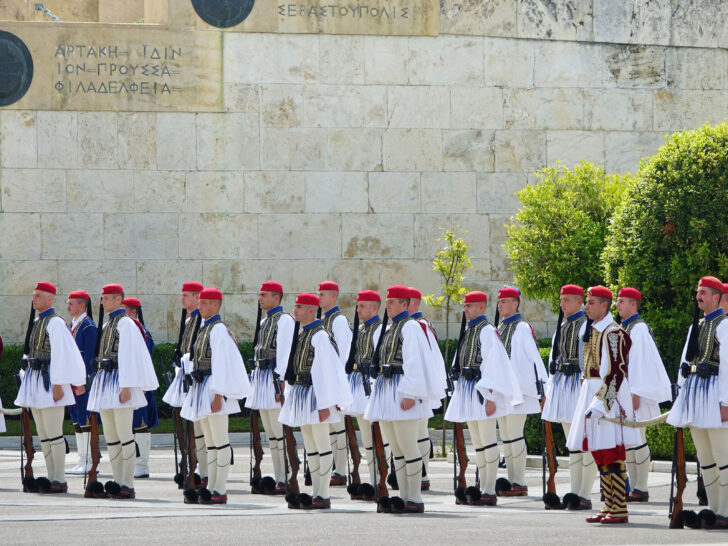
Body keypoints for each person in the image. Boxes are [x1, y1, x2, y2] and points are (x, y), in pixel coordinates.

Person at [364, 285, 444, 514]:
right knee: (396, 449)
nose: (387, 305)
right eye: (387, 301)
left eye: (392, 302)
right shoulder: (390, 328)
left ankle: (415, 497)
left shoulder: (410, 327)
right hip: (387, 391)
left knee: (409, 446)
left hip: (402, 391)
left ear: (405, 304)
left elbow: (414, 362)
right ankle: (403, 495)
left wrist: (411, 393)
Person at [566, 285, 639, 524]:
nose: (586, 307)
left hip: (608, 397)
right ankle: (609, 503)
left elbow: (616, 372)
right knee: (598, 451)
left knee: (611, 451)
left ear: (604, 305)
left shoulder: (612, 332)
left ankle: (619, 507)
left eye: (591, 303)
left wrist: (602, 403)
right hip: (593, 392)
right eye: (586, 303)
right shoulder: (596, 330)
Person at [446, 291, 522, 506]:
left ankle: (489, 489)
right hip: (469, 390)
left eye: (469, 306)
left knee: (487, 440)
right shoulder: (470, 330)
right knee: (478, 442)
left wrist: (490, 397)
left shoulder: (487, 331)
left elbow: (494, 365)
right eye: (465, 306)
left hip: (482, 391)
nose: (465, 309)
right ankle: (482, 486)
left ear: (481, 307)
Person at [279, 293, 352, 509]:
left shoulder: (319, 335)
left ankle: (323, 493)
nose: (296, 310)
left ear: (311, 310)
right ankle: (315, 491)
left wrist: (325, 404)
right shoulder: (303, 332)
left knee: (322, 444)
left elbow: (327, 372)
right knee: (310, 445)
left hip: (316, 395)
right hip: (303, 393)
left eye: (300, 307)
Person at [87, 284, 159, 499]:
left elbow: (129, 356)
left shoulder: (126, 323)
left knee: (125, 435)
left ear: (119, 300)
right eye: (102, 298)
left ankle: (127, 483)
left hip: (120, 382)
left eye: (107, 298)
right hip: (106, 382)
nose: (103, 302)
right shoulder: (109, 323)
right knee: (111, 436)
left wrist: (127, 386)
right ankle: (117, 481)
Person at [180, 288, 251, 505]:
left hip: (214, 389)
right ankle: (210, 487)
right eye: (199, 303)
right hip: (204, 387)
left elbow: (221, 363)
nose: (199, 307)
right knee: (211, 443)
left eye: (203, 303)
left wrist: (219, 395)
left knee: (220, 442)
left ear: (215, 305)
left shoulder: (218, 329)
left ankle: (220, 489)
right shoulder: (206, 327)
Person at [15, 282, 86, 493]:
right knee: (43, 432)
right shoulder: (38, 321)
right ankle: (50, 476)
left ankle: (59, 478)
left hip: (50, 381)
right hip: (36, 382)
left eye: (38, 296)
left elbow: (62, 355)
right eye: (33, 295)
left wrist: (58, 384)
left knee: (54, 432)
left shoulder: (55, 322)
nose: (33, 299)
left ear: (49, 299)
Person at [668, 276, 728, 529]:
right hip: (695, 396)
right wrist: (681, 399)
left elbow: (726, 367)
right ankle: (713, 510)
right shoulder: (697, 326)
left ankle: (725, 510)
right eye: (697, 292)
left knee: (722, 455)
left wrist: (726, 401)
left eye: (703, 292)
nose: (698, 296)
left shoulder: (724, 326)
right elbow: (684, 364)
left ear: (716, 297)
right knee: (705, 458)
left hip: (714, 393)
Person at [615, 287, 671, 502]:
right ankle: (635, 487)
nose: (618, 305)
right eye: (618, 301)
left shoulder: (638, 328)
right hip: (624, 390)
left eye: (622, 301)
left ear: (634, 304)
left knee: (637, 438)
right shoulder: (624, 326)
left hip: (634, 390)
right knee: (629, 441)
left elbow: (640, 363)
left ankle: (641, 487)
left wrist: (635, 391)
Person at [542, 284, 595, 510]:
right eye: (562, 300)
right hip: (563, 385)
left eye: (567, 300)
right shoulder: (563, 326)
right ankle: (574, 491)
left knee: (586, 442)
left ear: (579, 301)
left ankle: (585, 493)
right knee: (572, 442)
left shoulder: (586, 325)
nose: (562, 304)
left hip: (579, 385)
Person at [495, 286, 549, 496]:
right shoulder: (500, 327)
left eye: (505, 302)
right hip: (503, 391)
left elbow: (533, 360)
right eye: (499, 302)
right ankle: (511, 479)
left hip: (518, 391)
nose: (500, 305)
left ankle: (520, 481)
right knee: (507, 437)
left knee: (515, 435)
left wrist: (540, 390)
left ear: (515, 304)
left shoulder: (522, 327)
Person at [245, 280, 294, 494]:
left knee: (280, 432)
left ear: (276, 297)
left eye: (264, 295)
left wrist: (281, 380)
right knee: (271, 435)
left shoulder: (284, 320)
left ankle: (288, 477)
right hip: (262, 379)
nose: (260, 298)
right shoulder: (266, 321)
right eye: (260, 294)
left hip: (274, 379)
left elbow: (285, 351)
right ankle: (279, 476)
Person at [162, 281, 206, 485]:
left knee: (198, 427)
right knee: (186, 424)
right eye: (182, 295)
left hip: (194, 379)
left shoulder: (201, 320)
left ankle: (202, 470)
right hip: (183, 377)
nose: (182, 299)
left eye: (187, 295)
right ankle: (190, 465)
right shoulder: (188, 320)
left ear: (198, 297)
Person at [342, 289, 384, 499]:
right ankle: (373, 478)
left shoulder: (379, 329)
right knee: (366, 436)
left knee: (375, 436)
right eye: (357, 306)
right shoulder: (360, 328)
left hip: (371, 384)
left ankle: (380, 479)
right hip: (358, 382)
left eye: (362, 306)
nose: (357, 309)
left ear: (374, 308)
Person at [408, 287, 447, 491]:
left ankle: (422, 473)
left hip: (420, 386)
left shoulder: (420, 325)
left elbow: (429, 360)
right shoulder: (413, 325)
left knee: (420, 430)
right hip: (413, 386)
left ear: (413, 302)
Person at [317, 280, 352, 486]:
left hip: (335, 381)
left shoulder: (338, 321)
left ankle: (340, 470)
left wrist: (337, 381)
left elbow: (345, 352)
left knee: (337, 427)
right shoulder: (324, 319)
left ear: (333, 296)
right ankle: (331, 467)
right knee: (329, 427)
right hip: (325, 382)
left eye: (323, 294)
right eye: (319, 294)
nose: (319, 297)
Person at [122, 297, 159, 479]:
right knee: (127, 425)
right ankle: (131, 462)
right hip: (128, 384)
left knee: (140, 426)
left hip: (139, 385)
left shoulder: (142, 332)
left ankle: (142, 464)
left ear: (133, 311)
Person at [65, 290, 97, 476]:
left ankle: (90, 461)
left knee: (86, 421)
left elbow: (90, 358)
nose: (68, 306)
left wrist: (84, 381)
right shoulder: (73, 325)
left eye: (72, 303)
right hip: (73, 381)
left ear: (82, 305)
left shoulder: (88, 326)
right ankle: (82, 460)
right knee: (77, 421)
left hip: (82, 382)